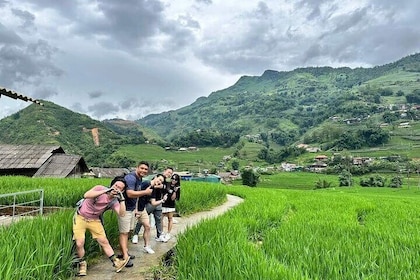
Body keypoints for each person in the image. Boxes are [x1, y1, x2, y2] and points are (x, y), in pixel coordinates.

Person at [73, 176, 130, 276]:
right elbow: (86, 195)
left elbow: (121, 214)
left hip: (94, 220)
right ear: (112, 184)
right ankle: (82, 264)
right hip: (80, 217)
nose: (116, 188)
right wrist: (106, 190)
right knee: (79, 242)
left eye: (120, 188)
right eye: (116, 185)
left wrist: (122, 200)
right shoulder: (100, 188)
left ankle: (116, 262)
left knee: (104, 241)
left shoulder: (114, 201)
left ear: (123, 190)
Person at [118, 161, 153, 268]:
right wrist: (145, 192)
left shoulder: (139, 179)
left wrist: (137, 209)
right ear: (136, 168)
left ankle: (124, 252)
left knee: (128, 231)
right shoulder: (131, 178)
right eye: (142, 168)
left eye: (146, 169)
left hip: (132, 209)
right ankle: (125, 257)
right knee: (124, 232)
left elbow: (136, 196)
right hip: (125, 209)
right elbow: (130, 193)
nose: (143, 171)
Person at [132, 174, 166, 254]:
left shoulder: (153, 189)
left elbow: (153, 203)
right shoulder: (146, 183)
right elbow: (136, 195)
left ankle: (146, 246)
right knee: (127, 230)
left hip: (142, 209)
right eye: (159, 179)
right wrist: (136, 209)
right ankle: (134, 236)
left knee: (147, 226)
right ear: (155, 177)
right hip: (134, 208)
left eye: (161, 182)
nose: (159, 182)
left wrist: (162, 200)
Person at [149, 167, 174, 242]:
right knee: (143, 218)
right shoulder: (157, 177)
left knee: (159, 219)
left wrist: (163, 187)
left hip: (159, 202)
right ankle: (136, 234)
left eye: (171, 173)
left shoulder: (166, 182)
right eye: (168, 172)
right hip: (150, 201)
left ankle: (159, 235)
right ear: (164, 171)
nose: (169, 174)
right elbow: (152, 186)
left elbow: (166, 190)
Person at [161, 173, 181, 242]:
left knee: (170, 218)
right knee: (160, 218)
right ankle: (161, 232)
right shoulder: (167, 184)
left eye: (175, 179)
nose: (174, 180)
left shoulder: (177, 188)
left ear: (177, 181)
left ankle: (168, 233)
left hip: (171, 205)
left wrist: (175, 191)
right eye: (173, 178)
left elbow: (173, 199)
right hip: (163, 203)